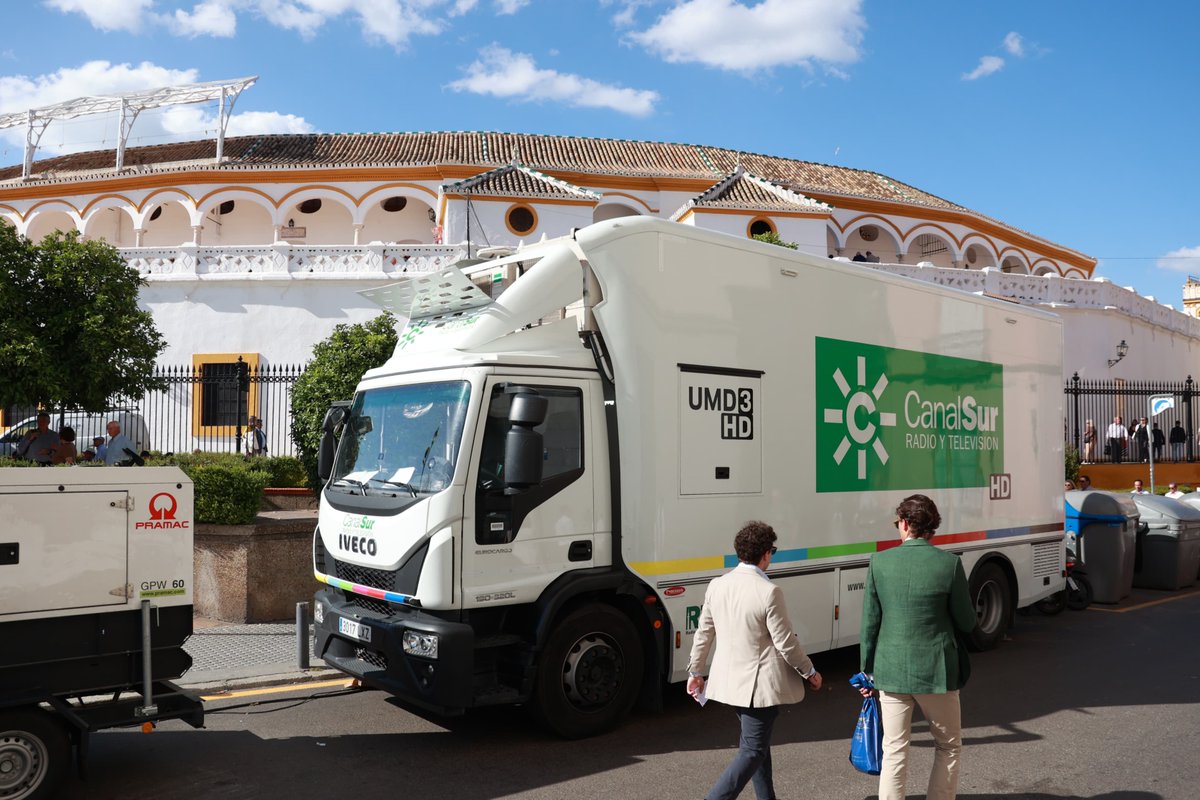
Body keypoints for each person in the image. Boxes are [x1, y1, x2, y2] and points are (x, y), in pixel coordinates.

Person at [687, 520, 821, 800]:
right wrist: (810, 672)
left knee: (758, 745)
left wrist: (696, 671)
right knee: (753, 750)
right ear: (766, 554)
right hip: (757, 688)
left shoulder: (718, 585)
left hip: (729, 683)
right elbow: (785, 642)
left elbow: (704, 633)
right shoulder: (769, 591)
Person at [860, 495, 976, 800]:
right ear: (931, 528)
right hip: (936, 671)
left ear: (906, 523)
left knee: (894, 750)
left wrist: (866, 671)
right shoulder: (949, 565)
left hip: (891, 669)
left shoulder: (879, 562)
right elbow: (967, 621)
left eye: (898, 522)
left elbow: (870, 623)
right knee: (947, 746)